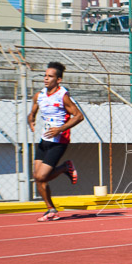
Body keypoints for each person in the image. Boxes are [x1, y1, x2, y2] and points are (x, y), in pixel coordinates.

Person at [28, 61, 83, 221]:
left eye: (50, 76)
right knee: (37, 177)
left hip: (59, 141)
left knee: (41, 177)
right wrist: (30, 120)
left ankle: (66, 167)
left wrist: (60, 129)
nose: (46, 79)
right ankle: (50, 209)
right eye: (45, 76)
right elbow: (32, 112)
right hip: (44, 140)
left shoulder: (63, 96)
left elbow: (79, 116)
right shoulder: (39, 96)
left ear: (58, 80)